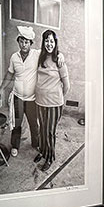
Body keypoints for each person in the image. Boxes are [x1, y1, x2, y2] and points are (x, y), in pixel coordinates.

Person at [0, 26, 39, 157]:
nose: (24, 44)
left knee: (34, 124)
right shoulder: (14, 57)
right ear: (18, 41)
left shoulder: (36, 55)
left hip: (32, 99)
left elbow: (52, 53)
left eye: (27, 42)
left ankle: (35, 143)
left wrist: (59, 57)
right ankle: (15, 146)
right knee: (17, 124)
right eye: (21, 41)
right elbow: (9, 74)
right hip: (18, 97)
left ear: (30, 43)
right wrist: (1, 89)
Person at [34, 30, 70, 172]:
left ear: (55, 43)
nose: (49, 44)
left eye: (51, 41)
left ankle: (50, 157)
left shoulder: (59, 60)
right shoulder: (39, 57)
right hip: (40, 102)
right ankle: (42, 152)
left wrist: (57, 96)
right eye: (46, 41)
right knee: (42, 129)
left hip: (54, 104)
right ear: (43, 42)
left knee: (50, 131)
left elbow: (67, 85)